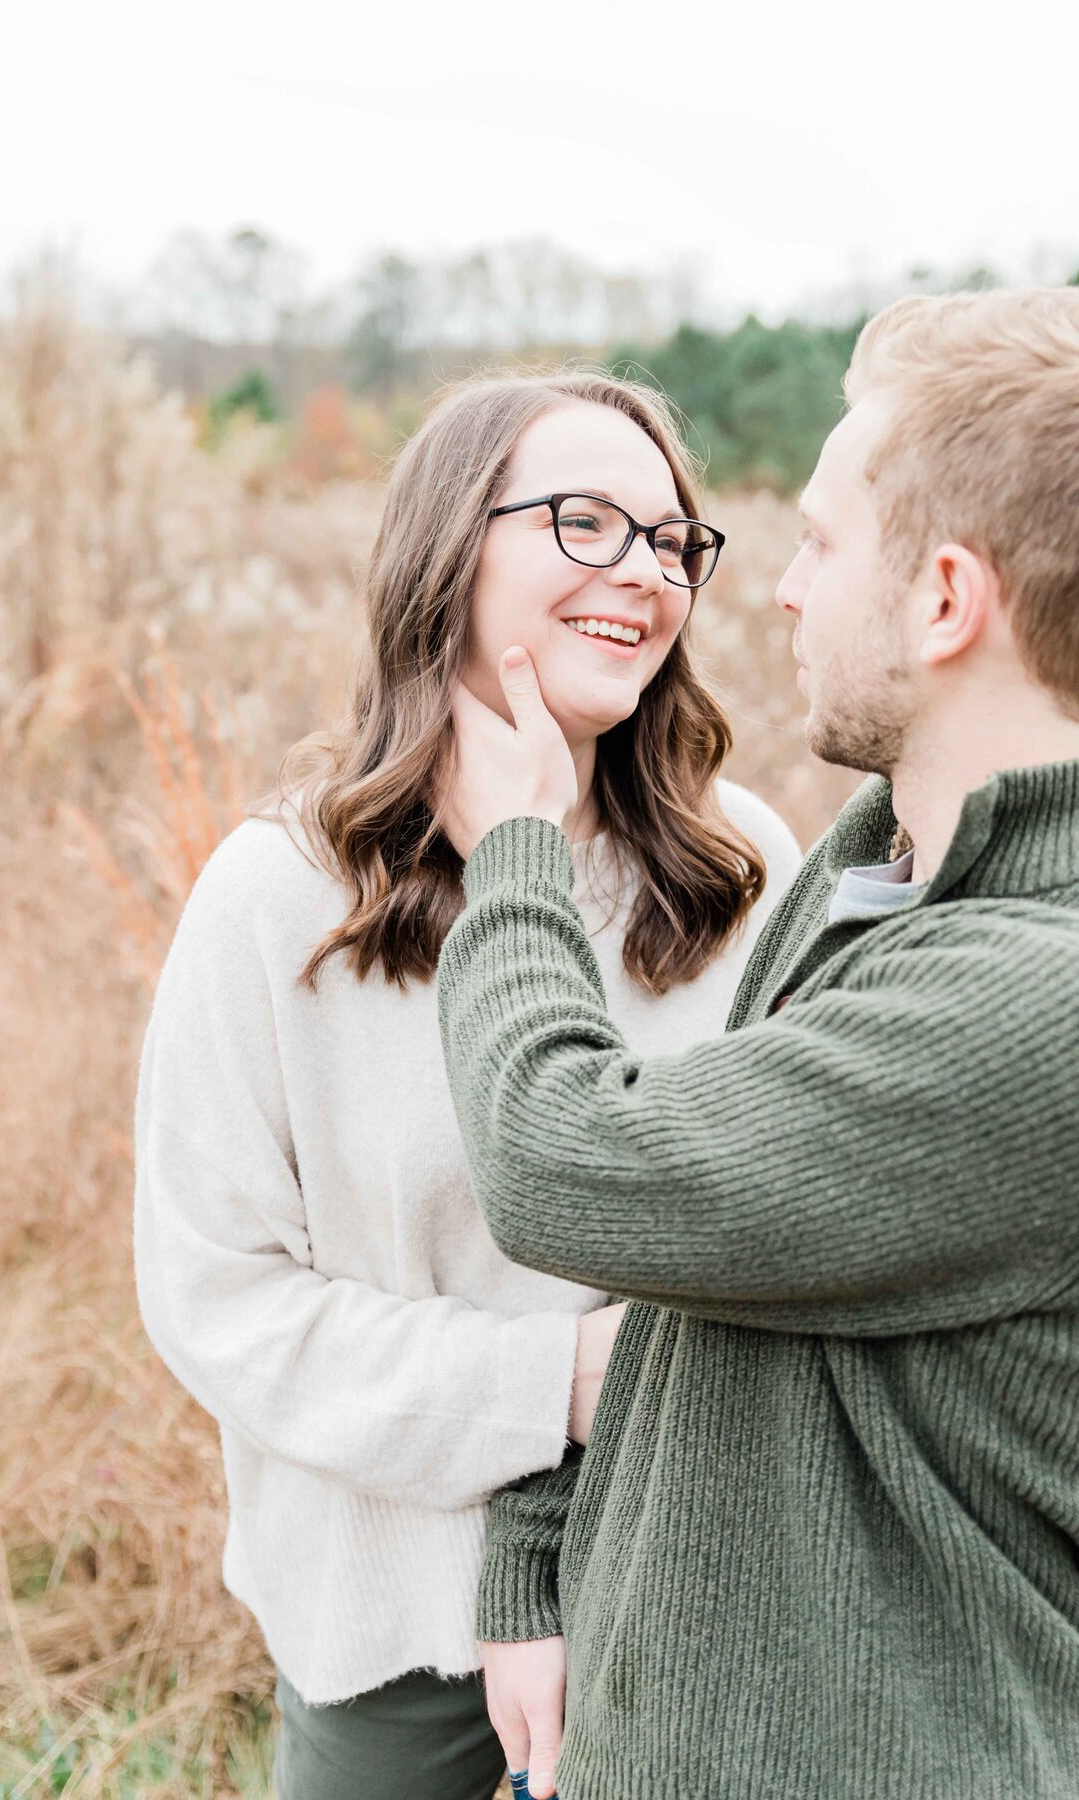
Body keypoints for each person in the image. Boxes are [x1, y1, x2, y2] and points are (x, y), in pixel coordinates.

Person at [434, 288, 1079, 1800]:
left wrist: (517, 856)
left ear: (943, 601)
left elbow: (569, 1160)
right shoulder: (886, 860)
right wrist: (540, 1560)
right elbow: (690, 1242)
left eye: (821, 543)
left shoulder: (1033, 1002)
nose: (778, 593)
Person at [132, 369, 801, 1800]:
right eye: (586, 523)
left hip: (690, 1589)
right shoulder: (278, 896)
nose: (645, 571)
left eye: (673, 540)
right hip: (391, 1619)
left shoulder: (743, 861)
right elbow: (218, 1298)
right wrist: (549, 1384)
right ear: (450, 547)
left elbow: (791, 1231)